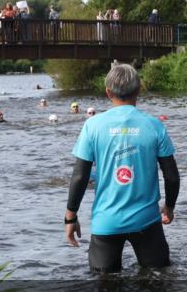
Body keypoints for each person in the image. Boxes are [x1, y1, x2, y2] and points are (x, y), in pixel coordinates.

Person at [64, 63, 180, 272]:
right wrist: (169, 207)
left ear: (108, 92)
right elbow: (171, 176)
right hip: (146, 221)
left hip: (106, 222)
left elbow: (80, 176)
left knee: (104, 288)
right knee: (159, 286)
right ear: (139, 89)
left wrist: (70, 216)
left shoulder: (92, 126)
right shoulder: (154, 125)